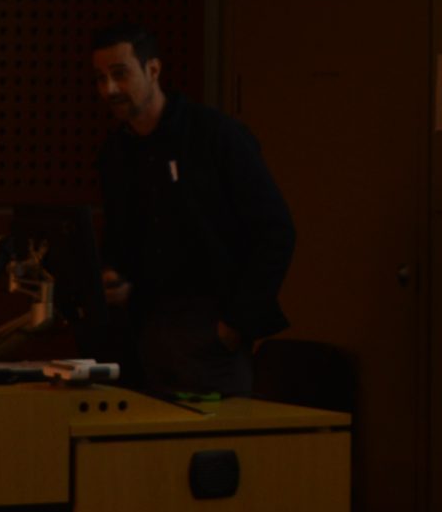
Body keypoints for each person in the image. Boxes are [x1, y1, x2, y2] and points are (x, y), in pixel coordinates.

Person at [89, 22, 297, 398]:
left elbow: (276, 231)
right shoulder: (116, 154)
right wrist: (111, 275)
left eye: (120, 74)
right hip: (144, 328)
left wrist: (235, 324)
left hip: (210, 327)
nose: (110, 90)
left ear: (153, 69)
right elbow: (121, 237)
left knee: (211, 449)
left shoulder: (213, 136)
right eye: (101, 78)